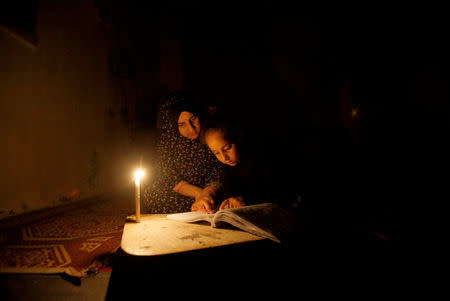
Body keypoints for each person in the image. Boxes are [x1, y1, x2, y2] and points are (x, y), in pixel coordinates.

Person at [143, 91, 224, 214]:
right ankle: (202, 207)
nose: (191, 129)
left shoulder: (210, 135)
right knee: (152, 193)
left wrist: (206, 194)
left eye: (193, 119)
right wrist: (198, 193)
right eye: (182, 124)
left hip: (211, 190)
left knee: (227, 196)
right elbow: (168, 176)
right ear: (173, 126)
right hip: (186, 192)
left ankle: (205, 206)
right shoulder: (168, 142)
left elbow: (217, 172)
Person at [201, 113, 279, 211]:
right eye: (216, 153)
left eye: (227, 148)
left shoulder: (261, 158)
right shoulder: (227, 166)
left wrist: (245, 200)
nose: (224, 157)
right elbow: (228, 194)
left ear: (238, 139)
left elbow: (277, 193)